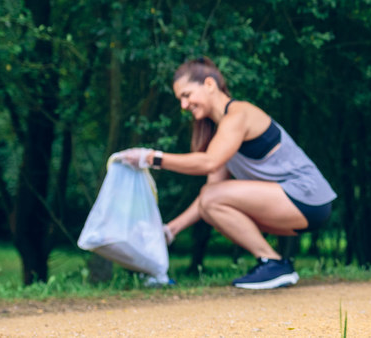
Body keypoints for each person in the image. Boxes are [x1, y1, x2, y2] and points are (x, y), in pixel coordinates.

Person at [116, 57, 337, 290]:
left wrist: (151, 158)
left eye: (187, 95)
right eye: (180, 99)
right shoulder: (221, 135)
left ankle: (273, 263)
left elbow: (209, 163)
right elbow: (209, 199)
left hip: (308, 199)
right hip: (293, 207)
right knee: (211, 199)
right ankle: (273, 263)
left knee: (212, 196)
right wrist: (171, 230)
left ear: (209, 84)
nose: (183, 105)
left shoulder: (239, 114)